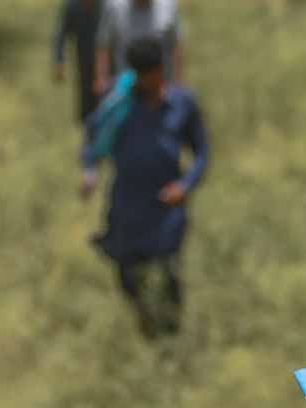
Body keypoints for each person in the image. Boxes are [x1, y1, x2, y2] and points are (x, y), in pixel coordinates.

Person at [87, 37, 207, 338]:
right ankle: (144, 322)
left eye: (151, 73)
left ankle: (171, 335)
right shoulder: (119, 104)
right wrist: (89, 170)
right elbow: (93, 136)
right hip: (127, 203)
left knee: (169, 272)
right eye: (141, 75)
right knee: (127, 271)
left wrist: (186, 184)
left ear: (161, 70)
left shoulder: (182, 103)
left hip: (166, 207)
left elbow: (203, 152)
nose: (147, 81)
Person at [94, 0, 184, 97]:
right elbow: (104, 45)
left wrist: (177, 83)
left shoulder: (168, 6)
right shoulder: (114, 7)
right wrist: (102, 78)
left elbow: (175, 46)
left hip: (160, 88)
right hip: (126, 88)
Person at [52, 0, 106, 126]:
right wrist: (59, 60)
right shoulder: (72, 6)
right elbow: (62, 32)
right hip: (83, 58)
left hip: (106, 60)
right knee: (85, 97)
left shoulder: (105, 5)